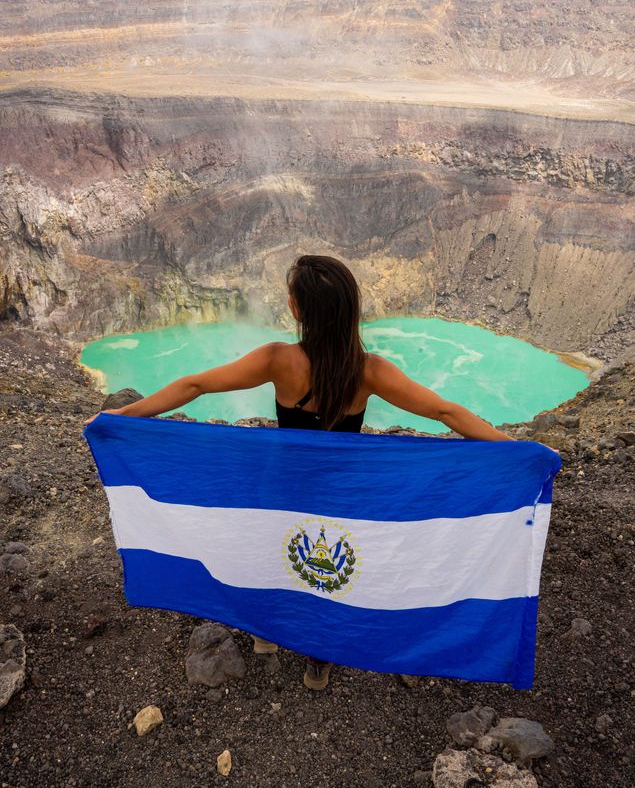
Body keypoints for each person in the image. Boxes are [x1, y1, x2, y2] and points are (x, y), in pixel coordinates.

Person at [86, 254, 543, 690]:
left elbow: (196, 384)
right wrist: (519, 452)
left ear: (298, 308)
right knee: (325, 571)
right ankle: (318, 659)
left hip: (281, 485)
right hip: (340, 494)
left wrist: (127, 415)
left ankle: (265, 631)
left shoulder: (278, 360)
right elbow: (445, 411)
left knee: (273, 556)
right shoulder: (369, 370)